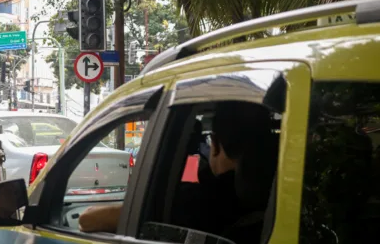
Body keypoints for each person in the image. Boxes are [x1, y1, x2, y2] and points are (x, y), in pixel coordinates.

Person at [79, 101, 276, 242]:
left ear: (215, 144)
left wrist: (187, 156)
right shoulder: (283, 192)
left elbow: (88, 219)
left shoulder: (198, 202)